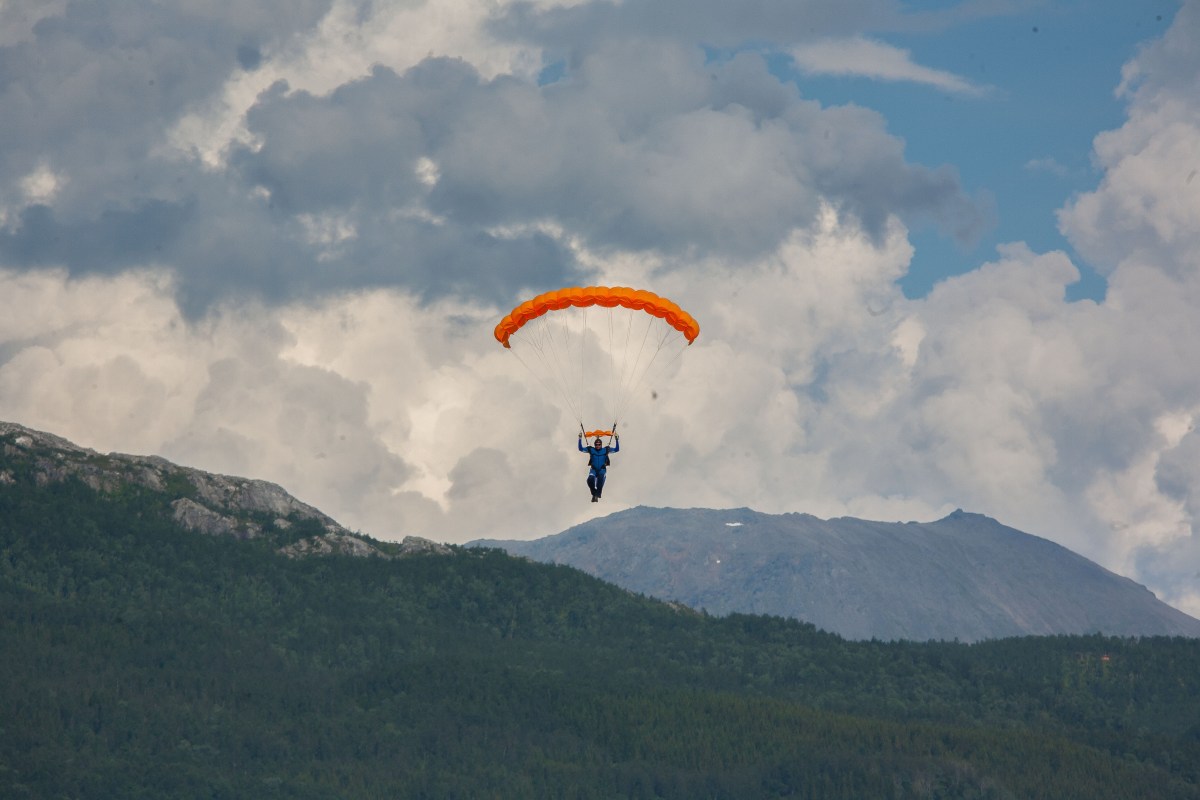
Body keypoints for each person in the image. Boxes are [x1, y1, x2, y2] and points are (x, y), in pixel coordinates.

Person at [578, 433, 619, 502]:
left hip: (602, 470)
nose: (598, 446)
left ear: (601, 445)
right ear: (594, 445)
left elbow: (617, 449)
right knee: (590, 480)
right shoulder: (591, 449)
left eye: (599, 444)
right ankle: (594, 494)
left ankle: (597, 495)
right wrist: (580, 438)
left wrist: (617, 439)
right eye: (596, 445)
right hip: (593, 469)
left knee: (600, 478)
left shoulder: (606, 450)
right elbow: (580, 448)